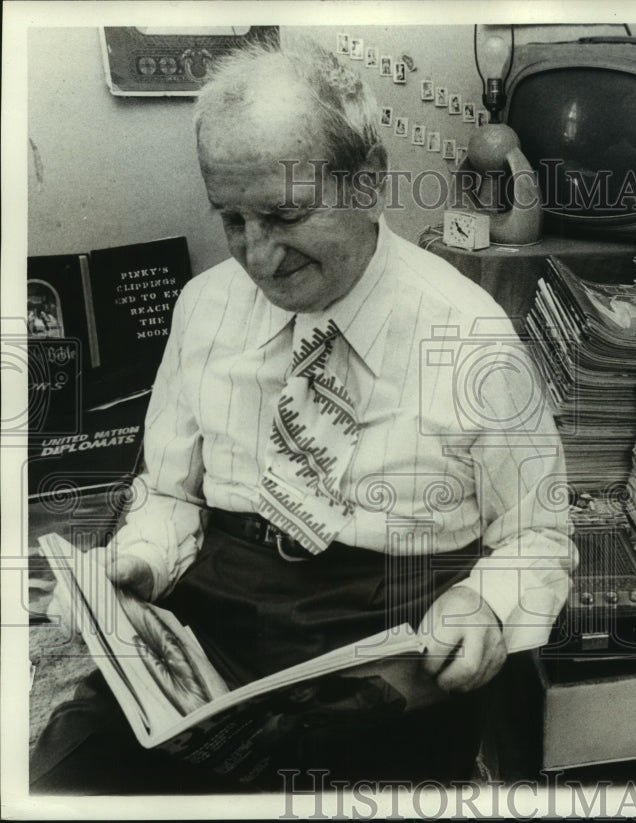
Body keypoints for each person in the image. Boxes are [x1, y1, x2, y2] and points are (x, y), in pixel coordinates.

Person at [31, 39, 574, 793]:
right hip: (220, 620)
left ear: (369, 181)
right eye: (232, 219)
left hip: (391, 647)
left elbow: (539, 535)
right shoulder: (203, 309)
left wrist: (487, 605)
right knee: (67, 775)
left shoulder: (471, 335)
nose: (257, 256)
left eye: (285, 214)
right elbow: (171, 492)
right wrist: (142, 558)